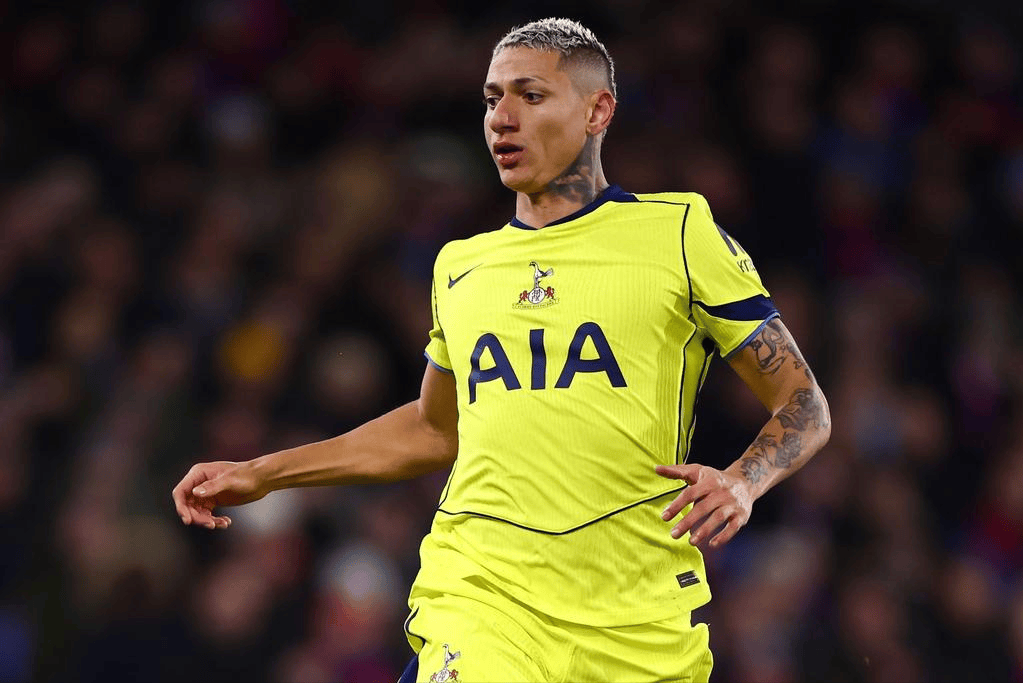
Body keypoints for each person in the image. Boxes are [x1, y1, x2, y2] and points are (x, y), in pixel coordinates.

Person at [172, 17, 831, 683]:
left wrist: (743, 480)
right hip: (486, 599)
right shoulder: (462, 267)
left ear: (597, 110)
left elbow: (803, 402)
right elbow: (435, 427)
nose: (502, 119)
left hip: (635, 619)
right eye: (492, 99)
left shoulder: (678, 234)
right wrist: (265, 471)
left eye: (531, 96)